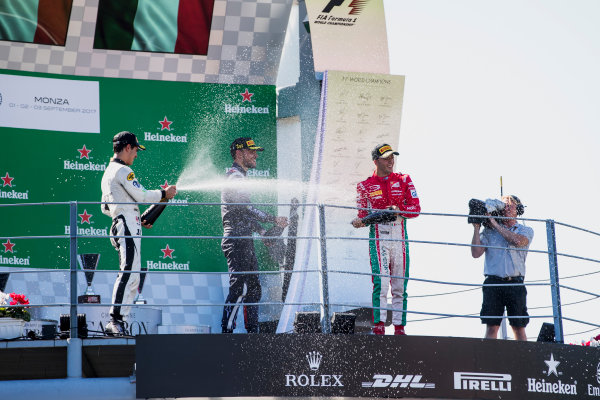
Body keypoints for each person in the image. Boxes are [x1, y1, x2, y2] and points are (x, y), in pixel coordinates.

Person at [100, 131, 177, 335]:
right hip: (126, 227)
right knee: (128, 272)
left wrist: (135, 216)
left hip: (125, 224)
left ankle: (120, 321)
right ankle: (115, 320)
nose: (136, 154)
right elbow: (141, 195)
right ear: (127, 147)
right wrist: (164, 194)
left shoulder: (108, 172)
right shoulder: (123, 170)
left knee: (133, 275)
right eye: (135, 150)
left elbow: (104, 208)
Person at [351, 143, 421, 335]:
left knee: (399, 284)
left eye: (393, 157)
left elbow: (416, 209)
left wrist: (400, 211)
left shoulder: (404, 179)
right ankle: (379, 326)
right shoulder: (364, 186)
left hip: (400, 235)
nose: (391, 161)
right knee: (380, 283)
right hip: (378, 236)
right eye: (387, 158)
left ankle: (399, 328)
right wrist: (360, 221)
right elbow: (363, 215)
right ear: (376, 161)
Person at [221, 137, 288, 333]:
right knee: (240, 288)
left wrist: (262, 232)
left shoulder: (240, 177)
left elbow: (243, 213)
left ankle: (253, 333)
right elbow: (246, 208)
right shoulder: (235, 177)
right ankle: (226, 333)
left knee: (253, 289)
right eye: (252, 152)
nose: (256, 155)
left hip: (245, 240)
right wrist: (272, 219)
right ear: (239, 153)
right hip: (236, 240)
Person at [470, 195, 534, 341]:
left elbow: (518, 241)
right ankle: (488, 360)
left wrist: (496, 225)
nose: (506, 208)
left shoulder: (526, 230)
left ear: (518, 209)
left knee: (519, 327)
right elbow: (476, 253)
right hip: (493, 282)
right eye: (504, 205)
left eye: (510, 205)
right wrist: (476, 227)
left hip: (515, 282)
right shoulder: (489, 231)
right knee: (492, 326)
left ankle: (522, 359)